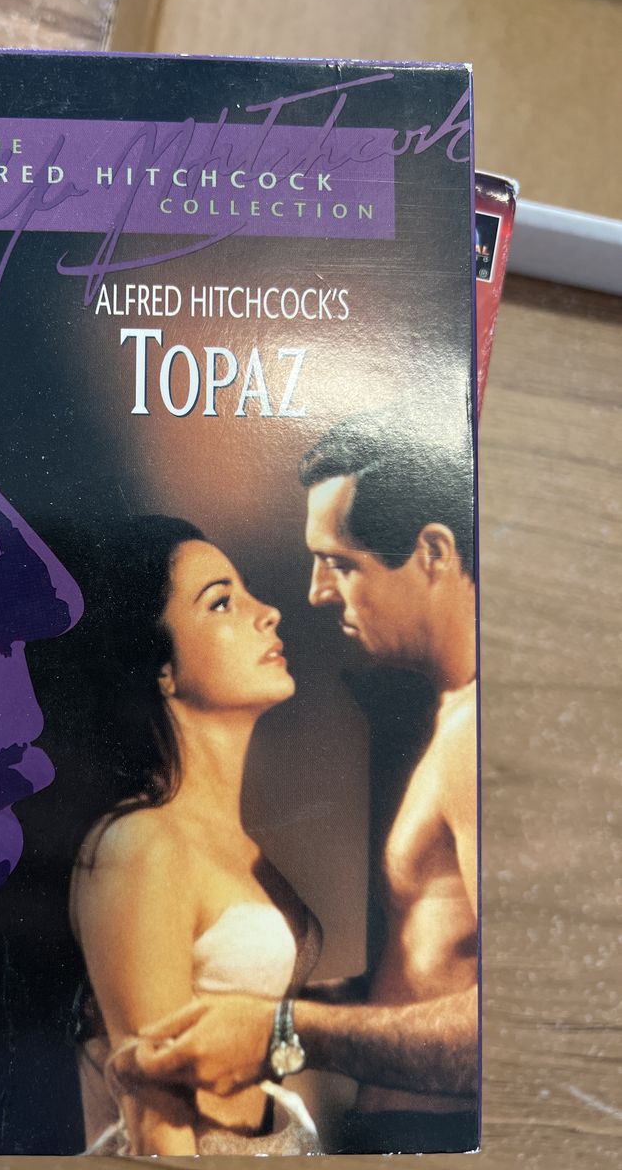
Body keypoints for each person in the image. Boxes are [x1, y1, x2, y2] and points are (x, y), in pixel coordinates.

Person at [120, 411, 480, 1155]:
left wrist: (282, 1029)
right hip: (386, 1127)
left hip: (431, 1136)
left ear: (433, 552)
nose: (316, 593)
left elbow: (497, 1025)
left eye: (341, 564)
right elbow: (433, 975)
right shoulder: (450, 717)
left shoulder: (475, 737)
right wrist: (262, 1012)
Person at [63, 515, 323, 1156]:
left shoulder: (237, 844)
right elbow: (158, 1122)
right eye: (222, 602)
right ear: (162, 668)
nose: (268, 613)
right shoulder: (140, 845)